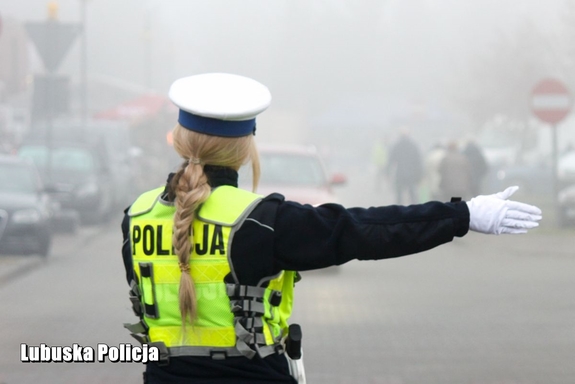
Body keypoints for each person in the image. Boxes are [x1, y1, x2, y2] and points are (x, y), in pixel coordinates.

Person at [121, 73, 542, 384]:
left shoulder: (136, 217)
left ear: (178, 140)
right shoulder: (261, 221)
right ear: (245, 148)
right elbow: (366, 230)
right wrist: (463, 215)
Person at [386, 129, 423, 204]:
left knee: (399, 195)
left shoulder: (396, 145)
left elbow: (391, 160)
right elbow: (418, 161)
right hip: (411, 174)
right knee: (413, 195)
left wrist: (387, 172)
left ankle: (399, 212)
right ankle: (415, 211)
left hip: (400, 173)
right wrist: (420, 175)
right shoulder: (413, 145)